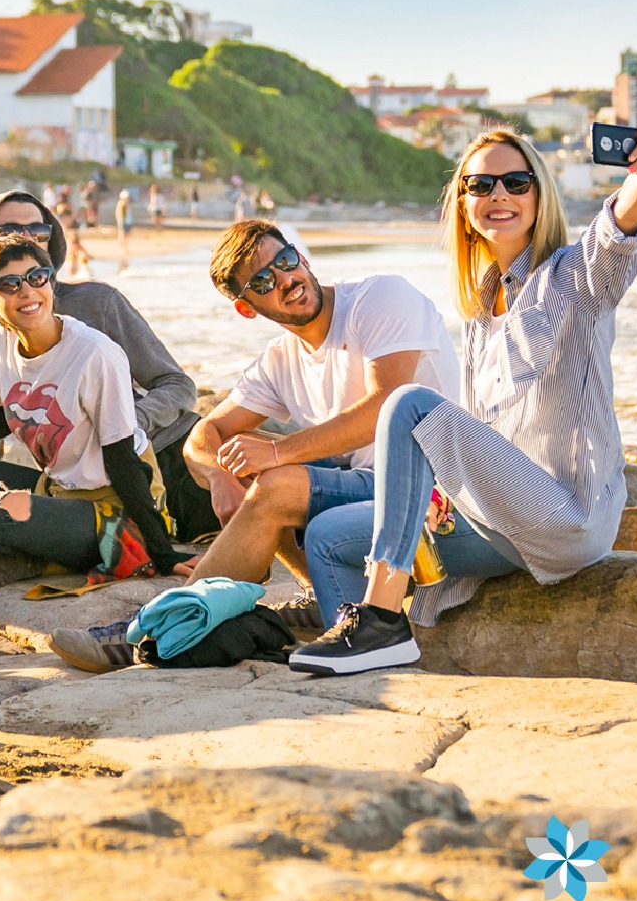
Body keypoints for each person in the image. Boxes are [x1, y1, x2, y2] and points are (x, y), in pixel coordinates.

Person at [289, 126, 637, 675]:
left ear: (539, 193)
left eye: (516, 182)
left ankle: (381, 616)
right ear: (463, 205)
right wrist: (439, 493)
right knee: (327, 535)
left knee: (409, 403)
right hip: (498, 516)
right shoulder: (481, 311)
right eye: (481, 185)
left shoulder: (576, 278)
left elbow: (620, 222)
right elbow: (490, 434)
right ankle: (366, 659)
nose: (499, 195)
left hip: (566, 516)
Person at [48, 217, 458, 673]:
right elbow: (203, 435)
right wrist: (220, 477)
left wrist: (278, 454)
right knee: (240, 454)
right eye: (263, 281)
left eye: (286, 260)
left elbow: (386, 406)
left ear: (302, 257)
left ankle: (153, 629)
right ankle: (317, 594)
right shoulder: (281, 360)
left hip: (435, 488)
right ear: (247, 308)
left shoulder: (380, 298)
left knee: (274, 480)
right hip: (367, 486)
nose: (286, 279)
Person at [0, 189, 217, 554]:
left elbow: (178, 386)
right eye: (10, 230)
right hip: (66, 479)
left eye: (38, 231)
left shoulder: (98, 302)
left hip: (157, 457)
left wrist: (118, 424)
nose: (26, 239)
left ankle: (10, 540)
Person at [115, 189, 132, 272]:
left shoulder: (128, 204)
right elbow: (118, 213)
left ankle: (125, 247)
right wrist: (120, 221)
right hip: (123, 221)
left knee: (126, 235)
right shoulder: (121, 204)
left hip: (128, 221)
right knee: (122, 234)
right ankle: (122, 248)